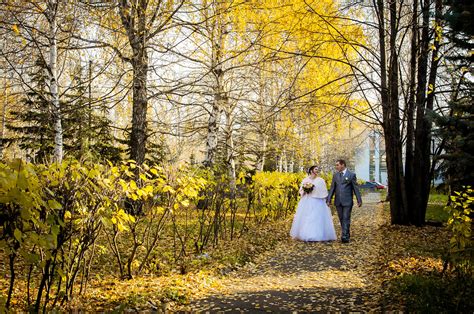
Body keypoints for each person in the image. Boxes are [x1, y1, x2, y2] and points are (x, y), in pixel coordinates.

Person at [290, 165, 337, 242]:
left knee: (316, 217)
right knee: (307, 217)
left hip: (318, 202)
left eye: (318, 170)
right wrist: (306, 190)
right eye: (315, 169)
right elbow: (301, 191)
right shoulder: (305, 180)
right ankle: (306, 234)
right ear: (311, 170)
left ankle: (317, 235)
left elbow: (324, 191)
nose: (317, 171)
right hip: (307, 201)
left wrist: (326, 200)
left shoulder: (320, 180)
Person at [327, 159, 362, 243]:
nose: (336, 167)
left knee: (346, 217)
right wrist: (329, 199)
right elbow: (332, 188)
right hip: (338, 201)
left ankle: (344, 236)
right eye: (336, 165)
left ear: (343, 165)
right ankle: (346, 233)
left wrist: (359, 200)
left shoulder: (351, 175)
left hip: (347, 201)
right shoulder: (335, 175)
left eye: (337, 165)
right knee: (341, 218)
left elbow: (355, 188)